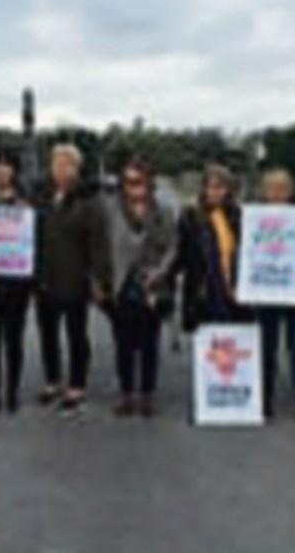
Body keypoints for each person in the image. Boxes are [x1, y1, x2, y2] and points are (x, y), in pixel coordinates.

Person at [34, 143, 111, 413]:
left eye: (67, 164)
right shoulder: (43, 197)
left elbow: (99, 243)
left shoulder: (89, 200)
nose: (61, 169)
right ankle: (52, 381)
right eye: (57, 164)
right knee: (47, 334)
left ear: (77, 168)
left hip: (76, 278)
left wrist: (98, 278)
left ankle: (77, 384)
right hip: (45, 277)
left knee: (76, 334)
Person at [103, 155, 176, 418]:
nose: (135, 188)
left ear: (149, 183)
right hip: (121, 284)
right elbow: (103, 247)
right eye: (129, 182)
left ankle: (147, 394)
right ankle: (126, 394)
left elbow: (172, 246)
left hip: (152, 285)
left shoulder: (162, 211)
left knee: (149, 343)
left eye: (140, 182)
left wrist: (160, 272)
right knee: (123, 343)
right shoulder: (111, 209)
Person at [255, 168, 295, 423]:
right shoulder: (254, 218)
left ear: (291, 191)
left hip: (294, 289)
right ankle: (263, 399)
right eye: (272, 188)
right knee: (266, 348)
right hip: (265, 290)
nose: (277, 194)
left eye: (282, 188)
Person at [0, 146, 33, 414]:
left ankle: (12, 390)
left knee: (14, 336)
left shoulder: (26, 201)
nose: (1, 170)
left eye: (7, 165)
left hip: (17, 278)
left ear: (14, 170)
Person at [174, 165, 251, 334]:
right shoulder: (191, 216)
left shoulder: (238, 216)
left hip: (233, 292)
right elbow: (178, 253)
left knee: (234, 350)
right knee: (208, 351)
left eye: (221, 187)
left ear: (229, 190)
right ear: (204, 189)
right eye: (211, 187)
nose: (215, 192)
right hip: (204, 292)